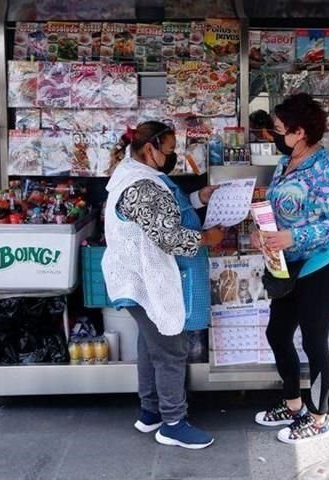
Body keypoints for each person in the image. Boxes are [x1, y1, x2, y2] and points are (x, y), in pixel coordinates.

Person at [102, 121, 225, 450]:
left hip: (136, 277)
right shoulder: (139, 185)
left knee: (149, 344)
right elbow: (168, 235)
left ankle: (150, 411)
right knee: (171, 347)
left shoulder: (138, 175)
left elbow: (168, 210)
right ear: (149, 149)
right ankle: (173, 422)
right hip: (144, 277)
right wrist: (206, 238)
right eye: (169, 151)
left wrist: (199, 197)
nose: (172, 157)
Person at [252, 93, 329, 444]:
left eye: (279, 129)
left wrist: (292, 236)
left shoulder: (326, 168)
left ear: (300, 131)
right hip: (287, 266)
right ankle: (294, 405)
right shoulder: (286, 162)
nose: (273, 135)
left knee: (313, 341)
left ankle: (319, 416)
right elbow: (280, 210)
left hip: (321, 265)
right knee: (277, 334)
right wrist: (263, 234)